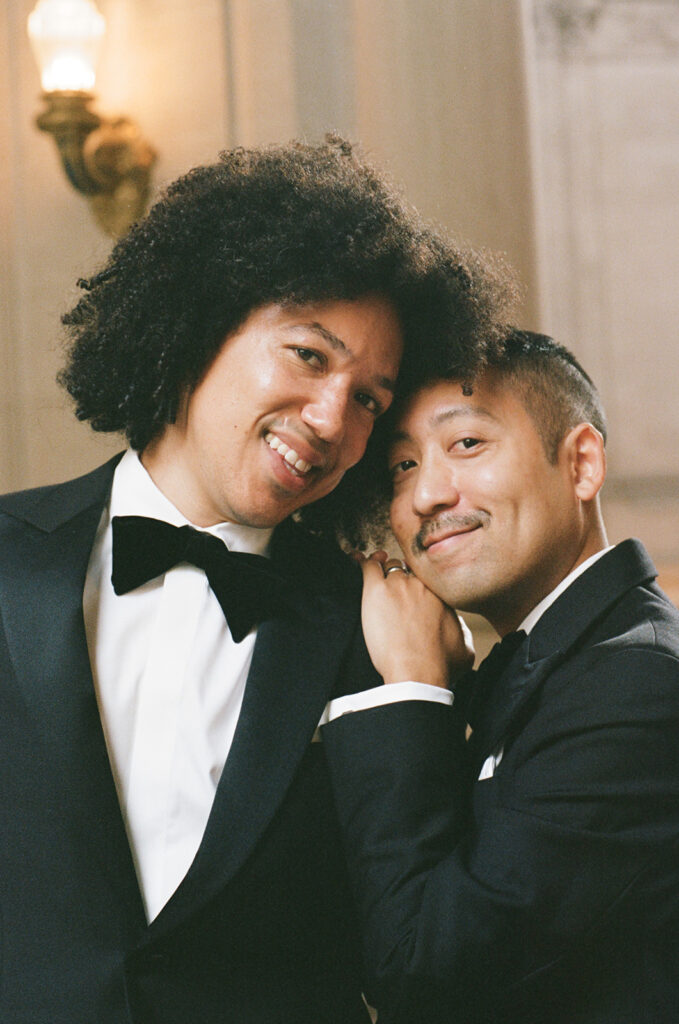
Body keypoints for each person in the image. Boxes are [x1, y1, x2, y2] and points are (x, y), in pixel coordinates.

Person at [0, 137, 512, 1024]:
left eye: (368, 400)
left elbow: (420, 948)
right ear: (202, 319)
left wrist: (420, 696)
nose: (329, 421)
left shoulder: (380, 624)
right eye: (309, 356)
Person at [323, 329, 679, 1023]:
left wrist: (411, 693)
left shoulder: (633, 682)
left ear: (579, 463)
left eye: (466, 445)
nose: (425, 493)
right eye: (399, 465)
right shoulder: (556, 660)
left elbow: (424, 976)